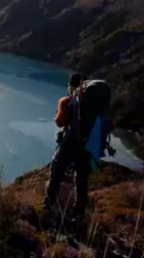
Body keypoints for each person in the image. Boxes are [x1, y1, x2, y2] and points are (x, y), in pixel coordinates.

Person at [44, 72, 113, 218]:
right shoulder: (96, 102)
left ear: (72, 86)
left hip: (71, 142)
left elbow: (60, 122)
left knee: (56, 172)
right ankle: (79, 211)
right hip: (88, 143)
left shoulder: (67, 101)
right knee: (82, 177)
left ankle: (47, 206)